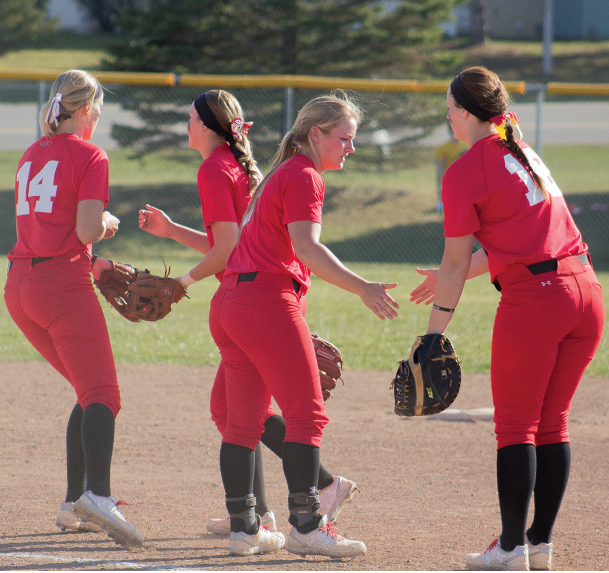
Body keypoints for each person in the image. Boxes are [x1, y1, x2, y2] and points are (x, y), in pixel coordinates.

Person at [138, 89, 359, 538]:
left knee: (248, 415)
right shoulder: (243, 168)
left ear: (208, 126)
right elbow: (233, 245)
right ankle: (270, 513)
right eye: (346, 138)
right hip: (259, 297)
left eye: (191, 119)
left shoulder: (219, 168)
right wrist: (173, 232)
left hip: (249, 298)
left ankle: (283, 508)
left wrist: (181, 283)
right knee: (239, 414)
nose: (186, 126)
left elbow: (229, 249)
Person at [409, 66, 604, 571]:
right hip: (585, 291)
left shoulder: (465, 168)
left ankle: (511, 548)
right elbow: (519, 242)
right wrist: (455, 276)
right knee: (552, 423)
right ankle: (538, 544)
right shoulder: (522, 150)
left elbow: (457, 259)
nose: (447, 115)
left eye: (450, 106)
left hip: (538, 300)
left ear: (469, 112)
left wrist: (433, 335)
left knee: (516, 427)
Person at [206, 92, 399, 558]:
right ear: (316, 135)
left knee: (241, 421)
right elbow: (306, 248)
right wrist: (362, 287)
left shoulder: (280, 173)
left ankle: (244, 528)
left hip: (231, 303)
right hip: (265, 301)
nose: (350, 148)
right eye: (344, 138)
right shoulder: (304, 174)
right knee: (306, 415)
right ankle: (308, 525)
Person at [3, 69, 144, 548]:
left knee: (87, 391)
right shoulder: (91, 155)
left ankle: (72, 503)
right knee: (104, 393)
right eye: (97, 112)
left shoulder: (30, 153)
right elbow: (84, 229)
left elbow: (50, 227)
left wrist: (94, 258)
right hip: (61, 287)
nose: (97, 120)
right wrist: (105, 223)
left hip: (20, 286)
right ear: (84, 110)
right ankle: (98, 497)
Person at [434, 125, 468, 212]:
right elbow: (439, 168)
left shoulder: (465, 145)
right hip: (450, 180)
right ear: (450, 132)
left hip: (463, 180)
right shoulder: (443, 148)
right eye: (453, 130)